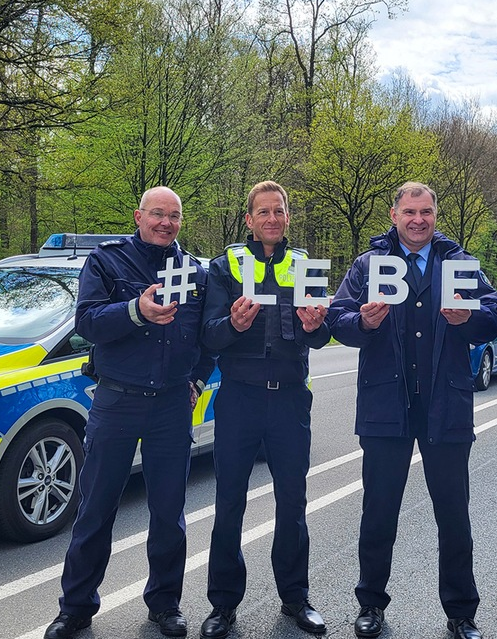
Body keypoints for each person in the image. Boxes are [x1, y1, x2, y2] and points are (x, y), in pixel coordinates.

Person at [327, 182, 497, 639]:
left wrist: (472, 319)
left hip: (445, 404)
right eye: (409, 212)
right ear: (394, 214)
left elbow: (494, 314)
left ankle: (462, 612)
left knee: (453, 513)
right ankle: (370, 604)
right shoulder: (368, 266)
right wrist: (362, 322)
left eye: (426, 212)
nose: (418, 220)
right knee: (378, 511)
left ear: (435, 214)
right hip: (386, 404)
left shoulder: (460, 263)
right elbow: (339, 318)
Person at [44, 186, 215, 639]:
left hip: (172, 406)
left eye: (174, 216)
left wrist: (197, 380)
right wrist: (136, 310)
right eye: (157, 214)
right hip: (116, 401)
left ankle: (165, 604)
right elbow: (86, 323)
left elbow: (208, 338)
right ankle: (76, 608)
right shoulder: (107, 261)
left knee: (168, 513)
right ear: (139, 216)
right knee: (95, 510)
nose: (165, 222)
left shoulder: (196, 270)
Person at [197, 181, 331, 638]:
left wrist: (317, 327)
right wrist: (232, 324)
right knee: (229, 500)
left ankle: (295, 598)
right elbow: (209, 336)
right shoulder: (225, 267)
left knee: (292, 502)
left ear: (287, 217)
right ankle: (222, 605)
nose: (271, 218)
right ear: (249, 219)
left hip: (291, 398)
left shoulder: (304, 266)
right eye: (263, 212)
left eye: (279, 211)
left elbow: (320, 336)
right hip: (239, 397)